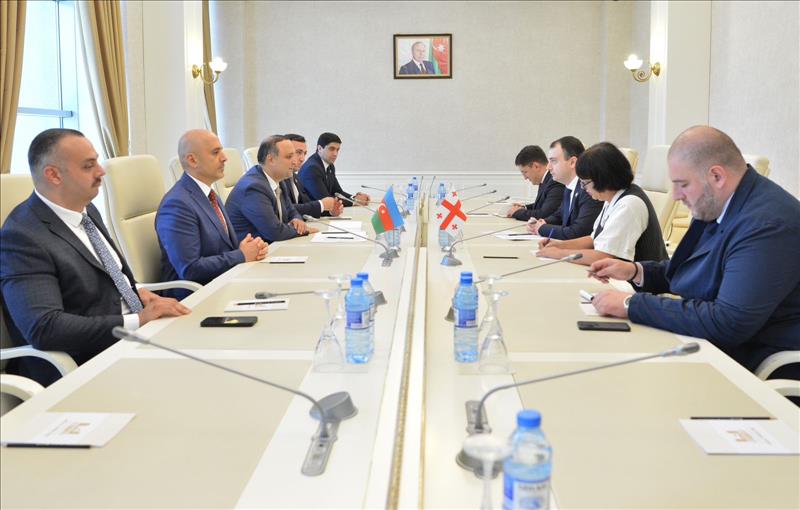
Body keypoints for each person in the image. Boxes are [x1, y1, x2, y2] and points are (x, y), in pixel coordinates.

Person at [590, 126, 800, 375]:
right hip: (718, 343)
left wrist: (631, 304)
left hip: (757, 360)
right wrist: (636, 271)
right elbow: (693, 270)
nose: (676, 196)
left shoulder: (766, 225)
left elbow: (728, 323)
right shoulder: (719, 203)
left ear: (716, 176)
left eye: (683, 184)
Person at [0, 128, 190, 386]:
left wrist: (137, 291)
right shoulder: (23, 236)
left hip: (134, 341)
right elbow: (45, 327)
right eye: (88, 166)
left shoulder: (86, 209)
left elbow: (103, 273)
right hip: (86, 365)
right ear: (53, 174)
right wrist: (139, 319)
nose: (101, 172)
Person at [155, 130, 269, 299]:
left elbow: (221, 247)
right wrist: (241, 255)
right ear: (192, 160)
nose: (224, 158)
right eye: (215, 153)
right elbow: (190, 269)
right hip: (196, 297)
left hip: (224, 283)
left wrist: (250, 248)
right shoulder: (177, 204)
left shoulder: (209, 194)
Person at [537, 142, 668, 265]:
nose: (583, 188)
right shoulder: (611, 198)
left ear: (602, 178)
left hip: (643, 280)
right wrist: (559, 245)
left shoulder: (629, 204)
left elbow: (604, 256)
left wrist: (559, 254)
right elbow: (594, 239)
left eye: (585, 183)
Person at [227, 135, 316, 243]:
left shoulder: (279, 179)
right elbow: (274, 232)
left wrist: (297, 219)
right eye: (289, 157)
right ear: (271, 160)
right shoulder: (254, 187)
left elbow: (291, 210)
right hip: (255, 249)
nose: (294, 162)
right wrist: (303, 230)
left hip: (272, 246)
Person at [527, 136, 603, 239]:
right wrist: (542, 222)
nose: (548, 167)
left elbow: (577, 232)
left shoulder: (588, 190)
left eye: (553, 161)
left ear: (572, 162)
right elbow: (559, 215)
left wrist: (542, 228)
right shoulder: (569, 187)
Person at [298, 132, 370, 206]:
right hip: (308, 212)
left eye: (337, 150)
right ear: (319, 148)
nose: (335, 154)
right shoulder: (312, 168)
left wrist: (354, 198)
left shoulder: (330, 166)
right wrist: (355, 201)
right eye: (331, 149)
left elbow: (337, 192)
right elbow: (325, 199)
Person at [281, 133, 343, 218]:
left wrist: (330, 212)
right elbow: (285, 209)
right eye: (298, 152)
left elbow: (306, 204)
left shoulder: (294, 177)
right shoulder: (279, 179)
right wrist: (322, 205)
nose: (302, 159)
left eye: (304, 153)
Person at [506, 145, 565, 221]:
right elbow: (543, 205)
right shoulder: (546, 179)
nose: (525, 178)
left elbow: (544, 214)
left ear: (536, 166)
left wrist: (516, 212)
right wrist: (524, 207)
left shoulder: (555, 182)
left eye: (525, 172)